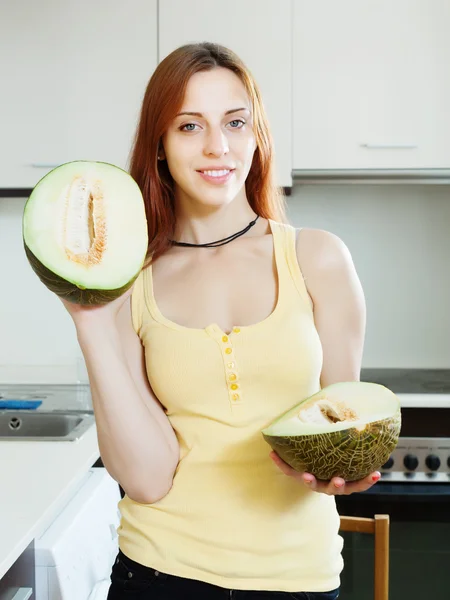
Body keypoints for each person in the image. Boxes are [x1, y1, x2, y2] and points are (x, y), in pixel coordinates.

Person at [61, 42, 378, 600]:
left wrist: (344, 470)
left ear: (257, 136)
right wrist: (90, 323)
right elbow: (146, 478)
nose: (218, 146)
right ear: (159, 145)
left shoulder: (317, 259)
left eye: (235, 122)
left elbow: (339, 423)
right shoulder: (129, 280)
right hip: (159, 574)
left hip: (298, 580)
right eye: (189, 126)